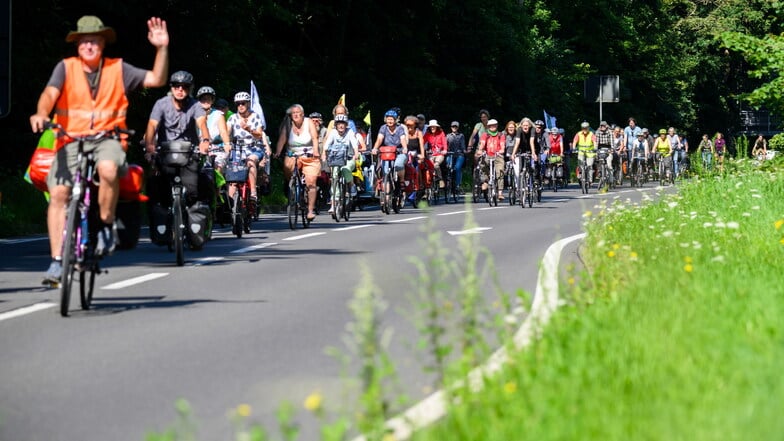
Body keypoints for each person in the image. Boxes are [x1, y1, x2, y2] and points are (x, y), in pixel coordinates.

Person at [30, 16, 169, 283]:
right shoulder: (66, 68)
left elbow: (156, 79)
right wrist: (40, 113)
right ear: (77, 45)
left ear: (103, 44)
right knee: (58, 192)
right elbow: (49, 93)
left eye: (94, 41)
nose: (89, 46)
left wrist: (161, 48)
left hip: (108, 138)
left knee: (107, 169)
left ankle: (105, 224)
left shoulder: (118, 69)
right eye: (83, 42)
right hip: (71, 139)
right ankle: (57, 261)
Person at [145, 70, 214, 249]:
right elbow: (152, 126)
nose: (180, 90)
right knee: (156, 185)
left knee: (194, 189)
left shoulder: (195, 105)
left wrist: (205, 141)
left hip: (188, 154)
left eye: (184, 87)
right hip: (165, 153)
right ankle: (164, 223)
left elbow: (202, 124)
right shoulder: (161, 104)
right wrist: (150, 145)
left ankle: (195, 224)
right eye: (176, 86)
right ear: (172, 88)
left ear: (190, 89)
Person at [275, 104, 322, 220]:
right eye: (293, 113)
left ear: (302, 114)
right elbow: (282, 139)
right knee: (287, 169)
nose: (295, 114)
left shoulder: (308, 122)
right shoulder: (288, 124)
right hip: (293, 154)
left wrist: (316, 151)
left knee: (311, 182)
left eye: (298, 112)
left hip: (309, 155)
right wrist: (277, 152)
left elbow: (315, 138)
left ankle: (310, 210)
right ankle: (291, 187)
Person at [226, 91, 271, 202]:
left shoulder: (255, 116)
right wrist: (226, 143)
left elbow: (260, 134)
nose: (240, 106)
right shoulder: (232, 118)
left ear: (248, 103)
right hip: (238, 150)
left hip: (254, 149)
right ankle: (230, 205)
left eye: (243, 103)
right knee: (233, 175)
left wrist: (249, 129)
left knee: (250, 162)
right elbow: (226, 133)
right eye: (238, 104)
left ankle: (253, 193)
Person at [322, 114, 359, 214]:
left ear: (346, 124)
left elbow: (354, 143)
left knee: (345, 169)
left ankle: (351, 185)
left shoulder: (350, 132)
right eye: (339, 124)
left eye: (343, 124)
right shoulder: (333, 132)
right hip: (336, 158)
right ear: (336, 125)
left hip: (349, 158)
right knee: (334, 177)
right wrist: (324, 154)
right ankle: (334, 204)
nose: (341, 126)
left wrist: (356, 154)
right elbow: (327, 144)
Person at [197, 86, 232, 173]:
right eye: (203, 99)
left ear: (212, 101)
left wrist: (227, 144)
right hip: (198, 148)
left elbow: (223, 132)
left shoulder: (218, 114)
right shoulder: (193, 114)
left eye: (208, 99)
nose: (206, 101)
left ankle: (216, 186)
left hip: (215, 148)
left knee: (217, 167)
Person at [477, 119, 506, 199]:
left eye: (494, 125)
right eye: (491, 125)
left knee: (500, 172)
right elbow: (482, 143)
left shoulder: (501, 135)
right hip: (488, 155)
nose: (493, 127)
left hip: (497, 156)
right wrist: (480, 150)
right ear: (488, 126)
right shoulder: (485, 134)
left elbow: (502, 144)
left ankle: (500, 193)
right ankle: (486, 181)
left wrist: (502, 150)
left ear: (497, 126)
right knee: (482, 164)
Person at [423, 119, 447, 187]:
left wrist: (445, 150)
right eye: (431, 127)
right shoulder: (427, 134)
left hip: (439, 154)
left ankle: (440, 179)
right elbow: (422, 142)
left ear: (437, 127)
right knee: (428, 167)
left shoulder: (441, 133)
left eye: (434, 126)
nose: (432, 128)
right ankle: (427, 186)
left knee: (436, 165)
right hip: (431, 154)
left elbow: (444, 143)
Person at [445, 121, 467, 193]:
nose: (454, 128)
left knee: (457, 168)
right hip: (450, 154)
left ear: (458, 127)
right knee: (448, 166)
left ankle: (458, 185)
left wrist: (464, 151)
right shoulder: (448, 136)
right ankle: (448, 182)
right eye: (453, 126)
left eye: (455, 126)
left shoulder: (461, 135)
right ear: (451, 127)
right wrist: (444, 150)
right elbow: (445, 145)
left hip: (459, 154)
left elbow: (463, 145)